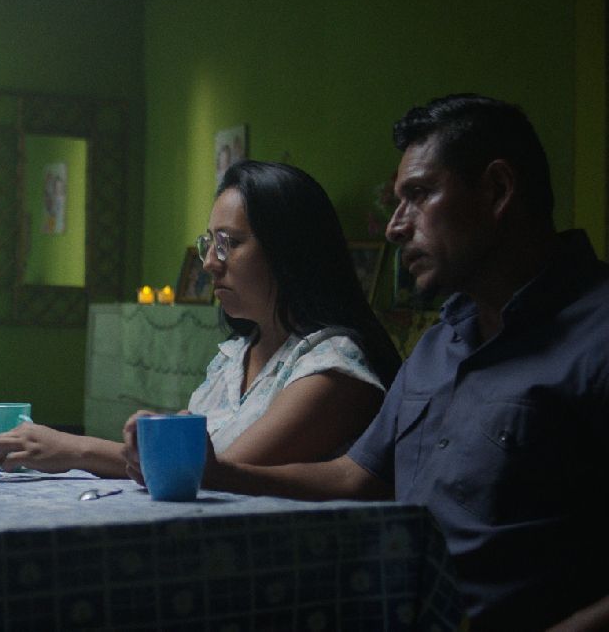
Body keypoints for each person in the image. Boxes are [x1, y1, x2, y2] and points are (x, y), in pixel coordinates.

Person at [124, 94, 609, 630]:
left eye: (419, 195)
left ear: (497, 190)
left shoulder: (596, 338)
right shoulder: (438, 344)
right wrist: (219, 474)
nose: (395, 227)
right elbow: (357, 478)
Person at [0, 161, 401, 476]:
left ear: (289, 250)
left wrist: (75, 449)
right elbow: (184, 460)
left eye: (229, 244)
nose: (209, 264)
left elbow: (215, 474)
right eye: (209, 244)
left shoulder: (334, 366)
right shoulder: (234, 358)